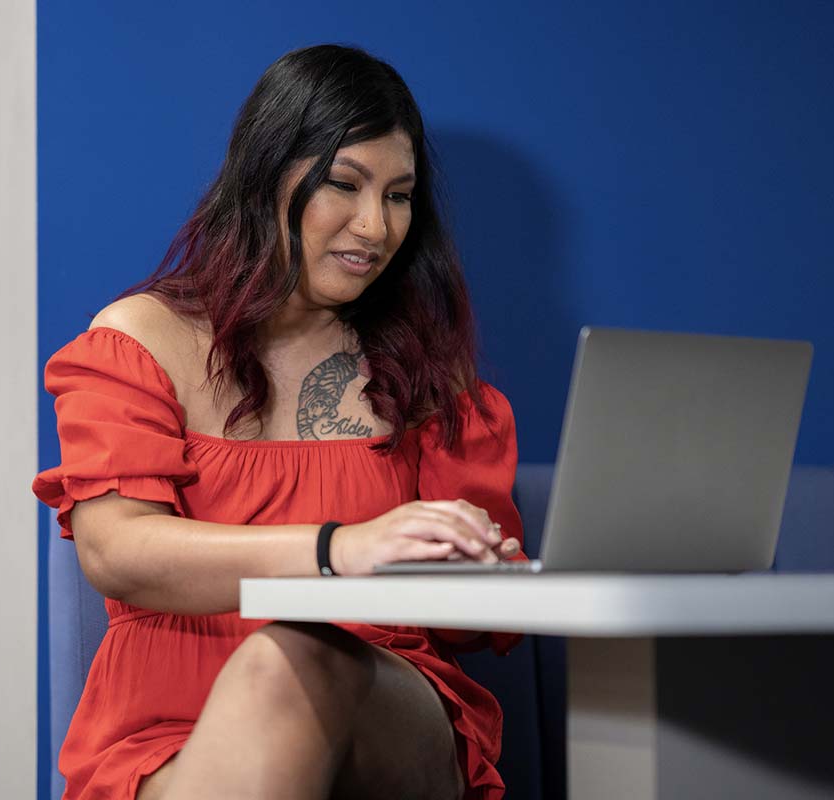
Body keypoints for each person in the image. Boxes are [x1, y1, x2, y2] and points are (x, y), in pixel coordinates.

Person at [33, 43, 527, 800]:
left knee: (292, 657)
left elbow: (471, 626)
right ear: (266, 175)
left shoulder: (431, 377)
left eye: (399, 195)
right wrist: (341, 550)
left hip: (381, 707)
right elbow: (116, 550)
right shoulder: (138, 341)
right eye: (344, 184)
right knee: (273, 670)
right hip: (165, 732)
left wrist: (471, 567)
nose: (375, 225)